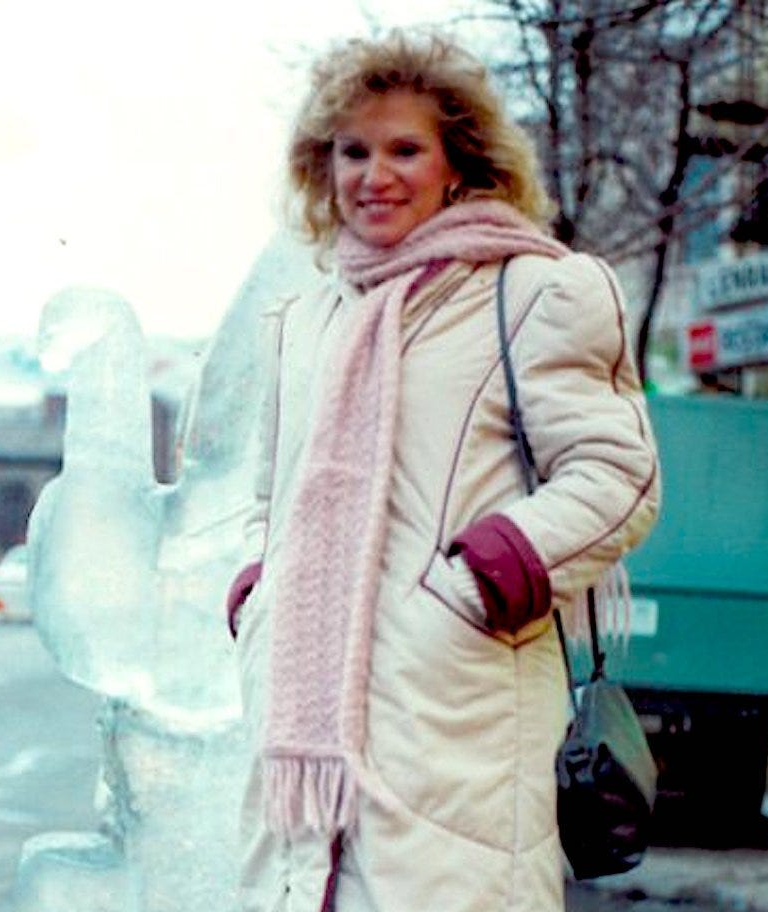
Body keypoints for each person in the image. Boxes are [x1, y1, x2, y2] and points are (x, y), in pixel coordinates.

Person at [225, 29, 660, 912]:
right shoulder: (303, 320)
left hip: (459, 713)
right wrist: (262, 589)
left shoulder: (538, 292)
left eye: (404, 148)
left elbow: (619, 474)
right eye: (353, 151)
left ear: (459, 160)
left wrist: (479, 582)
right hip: (306, 740)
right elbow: (269, 496)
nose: (373, 175)